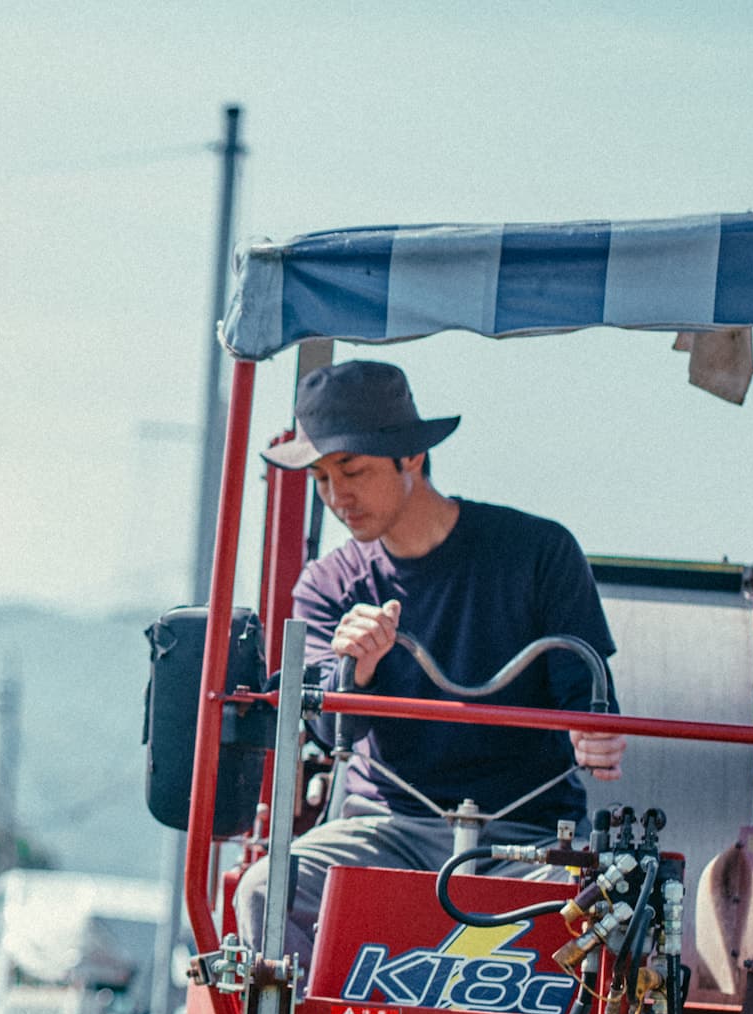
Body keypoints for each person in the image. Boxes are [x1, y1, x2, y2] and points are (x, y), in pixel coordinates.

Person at [234, 358, 626, 970]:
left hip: (525, 838)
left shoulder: (539, 551)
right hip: (386, 827)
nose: (339, 497)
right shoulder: (328, 585)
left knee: (598, 915)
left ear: (411, 457)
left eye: (353, 471)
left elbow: (590, 697)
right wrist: (354, 672)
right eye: (321, 479)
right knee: (265, 889)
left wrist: (597, 736)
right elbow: (324, 731)